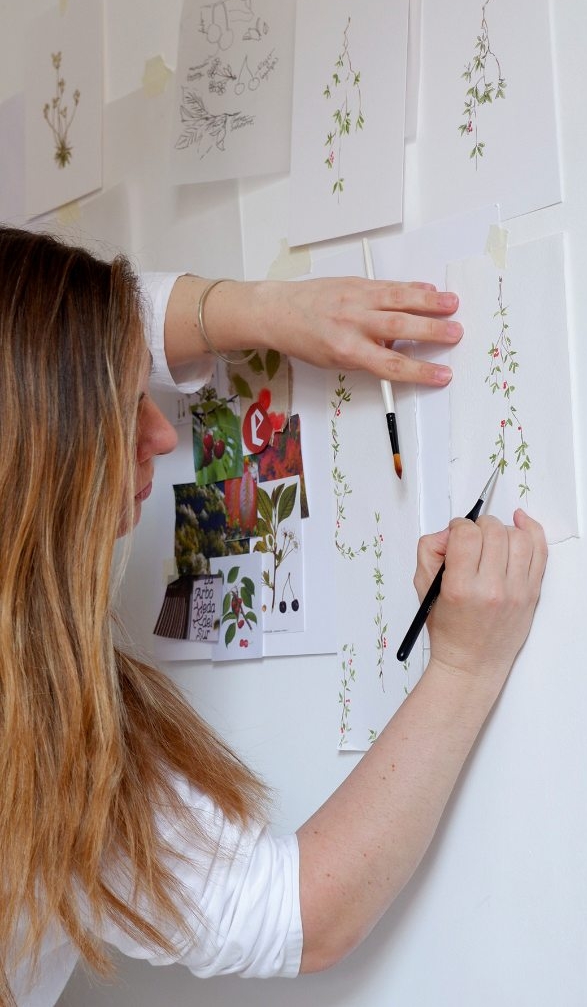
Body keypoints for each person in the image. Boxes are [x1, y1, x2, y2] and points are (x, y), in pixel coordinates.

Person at [0, 225, 547, 1006]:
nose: (164, 433)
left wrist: (264, 312)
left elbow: (44, 340)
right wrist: (465, 666)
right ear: (37, 452)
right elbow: (293, 916)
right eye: (124, 409)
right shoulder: (34, 726)